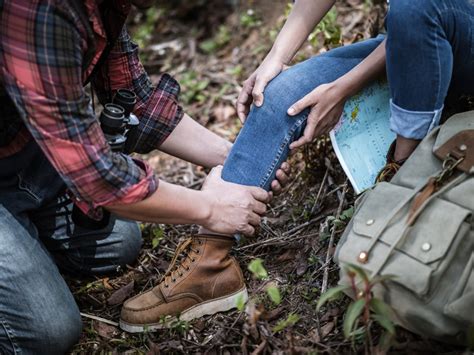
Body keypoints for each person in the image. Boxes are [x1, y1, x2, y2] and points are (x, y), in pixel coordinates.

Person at [119, 0, 474, 334]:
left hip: (452, 29)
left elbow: (423, 11)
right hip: (407, 40)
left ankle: (402, 178)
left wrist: (343, 87)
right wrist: (276, 57)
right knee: (279, 96)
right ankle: (210, 265)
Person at [0, 0, 291, 353]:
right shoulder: (42, 12)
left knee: (119, 242)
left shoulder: (100, 7)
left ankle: (22, 239)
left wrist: (236, 158)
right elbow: (97, 178)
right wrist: (211, 209)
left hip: (22, 152)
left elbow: (137, 101)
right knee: (48, 330)